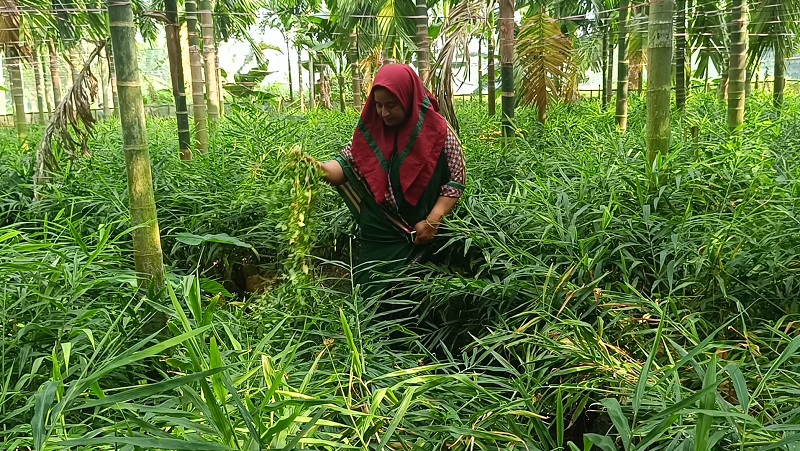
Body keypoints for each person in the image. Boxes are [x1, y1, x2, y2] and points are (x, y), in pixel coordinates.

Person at [312, 64, 466, 298]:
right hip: (381, 234)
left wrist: (434, 220)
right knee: (374, 305)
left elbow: (456, 178)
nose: (384, 112)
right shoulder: (372, 131)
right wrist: (316, 169)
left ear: (408, 97)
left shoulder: (439, 132)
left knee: (417, 305)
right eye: (378, 105)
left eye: (391, 105)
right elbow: (345, 165)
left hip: (423, 236)